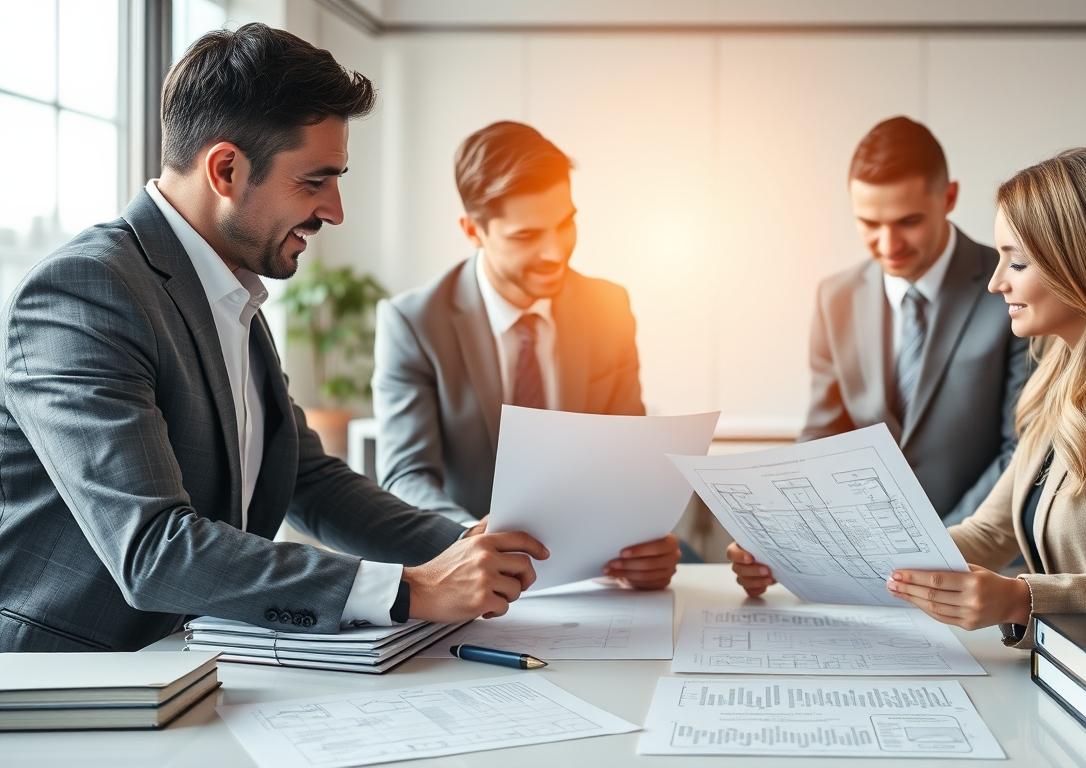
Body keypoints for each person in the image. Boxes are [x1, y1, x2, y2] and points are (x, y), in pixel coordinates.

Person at [0, 24, 547, 654]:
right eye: (314, 182)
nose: (335, 210)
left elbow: (309, 481)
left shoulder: (231, 297)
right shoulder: (86, 293)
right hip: (77, 683)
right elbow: (153, 550)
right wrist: (405, 589)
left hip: (197, 661)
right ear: (227, 169)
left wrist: (465, 546)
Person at [734, 148, 1086, 647]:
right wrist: (811, 556)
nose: (997, 283)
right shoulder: (1060, 376)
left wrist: (1018, 599)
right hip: (1083, 673)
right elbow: (986, 533)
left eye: (1018, 263)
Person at [373, 121, 682, 591]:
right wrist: (474, 541)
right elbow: (406, 475)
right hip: (466, 565)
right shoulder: (413, 322)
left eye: (565, 224)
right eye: (525, 237)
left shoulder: (609, 307)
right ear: (472, 230)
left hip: (593, 567)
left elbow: (627, 458)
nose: (554, 253)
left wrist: (643, 538)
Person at [797, 116, 1028, 524]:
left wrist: (946, 545)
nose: (888, 246)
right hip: (866, 561)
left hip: (985, 563)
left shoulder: (1013, 288)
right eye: (869, 223)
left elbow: (1022, 449)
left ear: (949, 197)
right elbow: (822, 444)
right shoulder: (835, 298)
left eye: (909, 222)